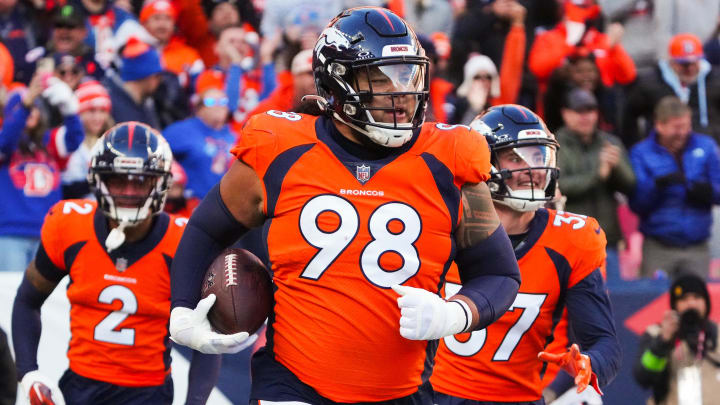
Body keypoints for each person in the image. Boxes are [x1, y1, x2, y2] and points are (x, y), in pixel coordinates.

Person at [169, 7, 521, 404]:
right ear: (335, 84)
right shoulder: (279, 146)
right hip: (293, 383)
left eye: (408, 76)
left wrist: (455, 314)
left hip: (402, 391)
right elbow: (206, 229)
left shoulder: (449, 157)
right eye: (380, 79)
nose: (400, 94)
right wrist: (182, 309)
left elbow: (501, 275)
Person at [11, 122, 220, 405]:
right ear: (98, 180)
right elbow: (27, 300)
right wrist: (28, 372)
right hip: (80, 387)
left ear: (160, 183)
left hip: (149, 393)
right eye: (118, 180)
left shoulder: (183, 241)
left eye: (140, 181)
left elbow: (207, 336)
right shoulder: (68, 226)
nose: (129, 192)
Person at [431, 104, 621, 404]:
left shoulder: (572, 239)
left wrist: (589, 365)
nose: (532, 170)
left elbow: (604, 342)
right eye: (516, 157)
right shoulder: (439, 222)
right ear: (485, 161)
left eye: (538, 156)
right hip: (434, 394)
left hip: (519, 398)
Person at [629, 96, 720, 279]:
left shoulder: (706, 146)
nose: (683, 133)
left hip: (697, 245)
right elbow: (636, 203)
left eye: (686, 126)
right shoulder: (641, 152)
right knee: (651, 302)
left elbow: (718, 189)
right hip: (659, 246)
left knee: (699, 303)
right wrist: (657, 186)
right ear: (659, 125)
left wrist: (708, 192)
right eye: (676, 128)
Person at [556, 88, 635, 283]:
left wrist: (617, 167)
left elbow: (631, 185)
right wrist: (597, 176)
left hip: (607, 240)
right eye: (579, 111)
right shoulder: (556, 144)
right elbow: (557, 185)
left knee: (615, 302)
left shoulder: (609, 142)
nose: (586, 117)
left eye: (590, 110)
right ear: (565, 113)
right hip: (570, 243)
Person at [634, 273, 720, 405]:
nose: (691, 303)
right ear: (674, 304)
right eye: (684, 299)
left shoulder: (718, 333)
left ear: (706, 302)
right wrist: (663, 342)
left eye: (697, 297)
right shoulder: (656, 333)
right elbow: (643, 378)